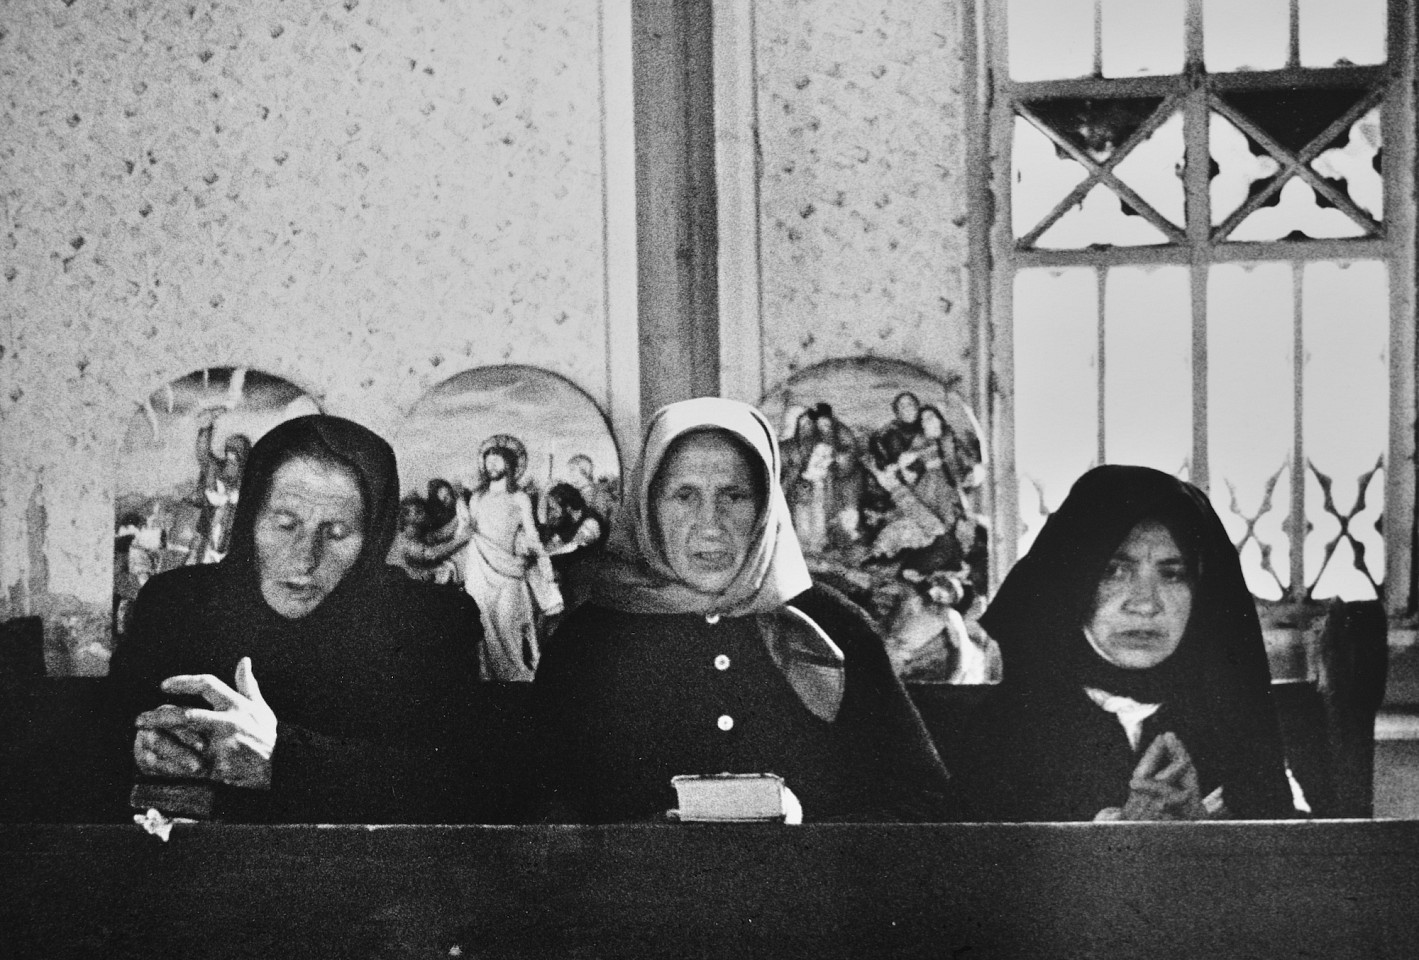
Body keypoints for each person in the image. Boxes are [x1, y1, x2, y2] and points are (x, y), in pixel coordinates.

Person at [530, 397, 953, 823]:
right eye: (684, 495)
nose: (710, 523)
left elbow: (923, 802)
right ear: (649, 507)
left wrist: (809, 832)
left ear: (766, 507)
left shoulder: (834, 625)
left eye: (734, 495)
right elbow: (538, 814)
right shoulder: (589, 640)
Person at [108, 414, 505, 824]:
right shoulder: (177, 605)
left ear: (374, 537)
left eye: (335, 533)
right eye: (284, 524)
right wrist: (141, 746)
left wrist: (280, 759)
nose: (305, 558)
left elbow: (464, 785)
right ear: (249, 520)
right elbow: (101, 741)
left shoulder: (431, 622)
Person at [952, 464, 1297, 822]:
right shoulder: (1004, 731)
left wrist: (1206, 835)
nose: (1146, 603)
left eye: (1173, 574)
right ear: (1073, 583)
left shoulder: (1235, 723)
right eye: (1114, 571)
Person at [462, 437, 563, 681]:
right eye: (488, 462)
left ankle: (519, 678)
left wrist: (542, 562)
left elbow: (531, 536)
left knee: (509, 627)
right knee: (483, 629)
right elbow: (469, 533)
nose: (491, 466)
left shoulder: (519, 498)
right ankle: (490, 682)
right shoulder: (477, 498)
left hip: (510, 572)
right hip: (479, 569)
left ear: (509, 464)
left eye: (497, 461)